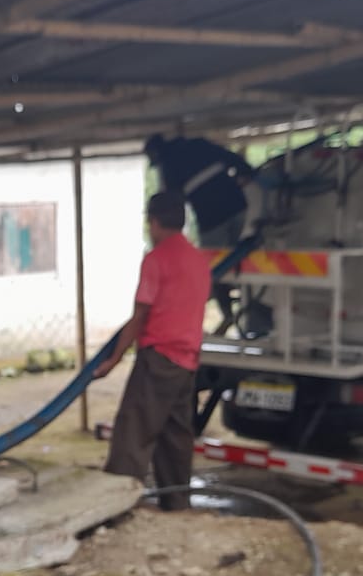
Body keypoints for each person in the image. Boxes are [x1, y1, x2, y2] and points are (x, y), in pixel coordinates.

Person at [95, 192, 211, 511]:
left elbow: (140, 315)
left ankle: (114, 504)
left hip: (159, 357)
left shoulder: (156, 259)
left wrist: (112, 360)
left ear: (154, 222)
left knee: (133, 431)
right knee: (175, 435)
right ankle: (177, 501)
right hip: (187, 361)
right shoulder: (199, 260)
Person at [144, 133, 263, 325]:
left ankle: (228, 313)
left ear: (157, 155)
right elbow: (231, 157)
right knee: (241, 259)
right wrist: (245, 173)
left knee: (215, 267)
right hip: (238, 207)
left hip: (212, 220)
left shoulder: (169, 168)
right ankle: (251, 307)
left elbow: (171, 204)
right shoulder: (199, 144)